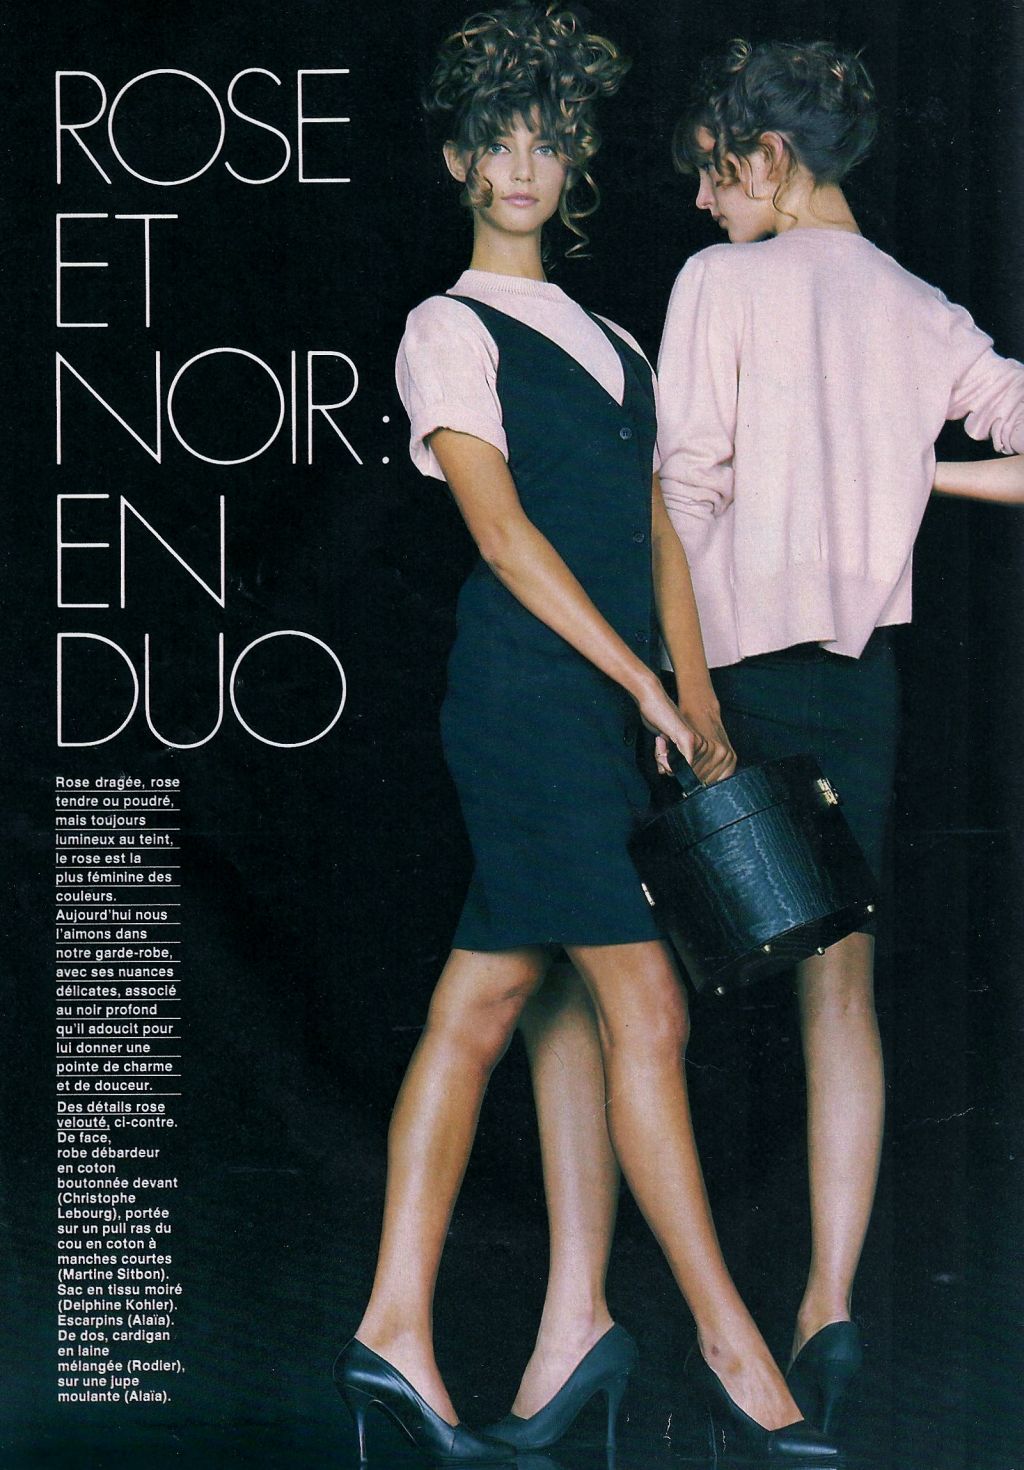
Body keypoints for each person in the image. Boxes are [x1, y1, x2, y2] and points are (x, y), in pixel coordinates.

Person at [333, 7, 838, 1464]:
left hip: (614, 717)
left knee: (501, 999)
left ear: (572, 163)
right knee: (644, 1010)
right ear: (456, 161)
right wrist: (641, 685)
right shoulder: (446, 329)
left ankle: (517, 1331)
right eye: (494, 141)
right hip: (524, 707)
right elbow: (502, 539)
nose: (521, 165)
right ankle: (734, 1350)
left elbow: (661, 538)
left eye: (545, 141)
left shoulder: (618, 339)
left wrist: (696, 703)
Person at [652, 38, 1024, 1431]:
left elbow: (683, 497)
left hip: (727, 684)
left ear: (772, 157)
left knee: (645, 997)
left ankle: (695, 1324)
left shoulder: (719, 284)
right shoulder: (917, 306)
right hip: (860, 690)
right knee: (841, 1001)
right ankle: (829, 1306)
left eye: (714, 170)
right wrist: (919, 471)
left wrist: (683, 700)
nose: (702, 201)